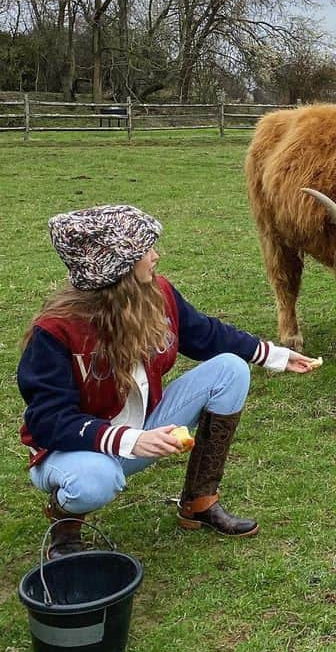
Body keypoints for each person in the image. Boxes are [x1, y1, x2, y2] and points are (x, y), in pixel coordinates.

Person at [18, 204, 320, 558]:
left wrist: (276, 356)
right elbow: (48, 421)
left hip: (142, 431)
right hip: (74, 451)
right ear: (118, 265)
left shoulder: (157, 294)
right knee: (95, 480)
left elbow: (205, 334)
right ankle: (66, 527)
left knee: (230, 370)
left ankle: (199, 501)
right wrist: (131, 439)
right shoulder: (55, 331)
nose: (155, 255)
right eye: (146, 249)